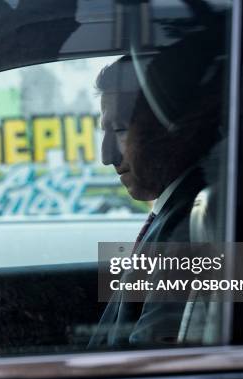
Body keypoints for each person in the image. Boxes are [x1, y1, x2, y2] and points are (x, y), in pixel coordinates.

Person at [88, 53, 223, 348]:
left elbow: (147, 357)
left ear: (171, 130)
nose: (107, 156)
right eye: (106, 131)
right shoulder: (175, 214)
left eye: (121, 129)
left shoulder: (189, 226)